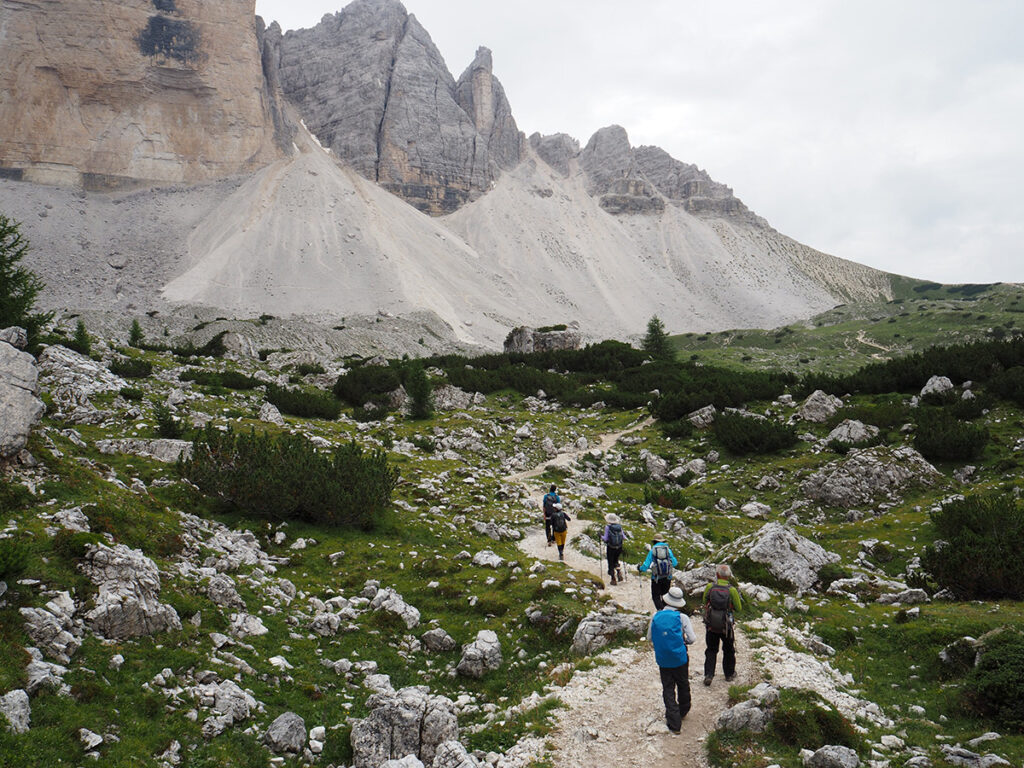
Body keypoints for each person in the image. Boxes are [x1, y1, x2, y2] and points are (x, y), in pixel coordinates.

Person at [647, 586, 696, 734]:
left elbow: (649, 637)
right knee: (682, 683)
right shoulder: (682, 618)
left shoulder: (656, 616)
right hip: (680, 657)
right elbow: (692, 639)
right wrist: (684, 643)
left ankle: (674, 724)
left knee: (668, 687)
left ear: (666, 599)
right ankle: (683, 710)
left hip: (663, 658)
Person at [701, 563, 742, 686]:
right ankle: (729, 674)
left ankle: (709, 674)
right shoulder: (732, 590)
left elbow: (704, 601)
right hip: (726, 626)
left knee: (711, 650)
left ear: (717, 574)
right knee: (729, 649)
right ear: (729, 576)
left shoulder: (710, 587)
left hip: (711, 625)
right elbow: (739, 608)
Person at [638, 535, 677, 610]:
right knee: (665, 596)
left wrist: (640, 568)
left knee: (656, 597)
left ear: (654, 541)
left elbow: (646, 565)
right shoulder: (668, 550)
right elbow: (675, 563)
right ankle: (665, 611)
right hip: (667, 577)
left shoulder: (652, 550)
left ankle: (660, 611)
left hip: (656, 578)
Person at [601, 513, 627, 585]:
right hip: (619, 547)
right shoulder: (619, 527)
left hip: (611, 547)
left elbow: (605, 538)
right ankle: (619, 573)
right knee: (616, 560)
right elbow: (624, 537)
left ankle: (613, 579)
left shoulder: (608, 527)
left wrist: (601, 536)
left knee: (610, 562)